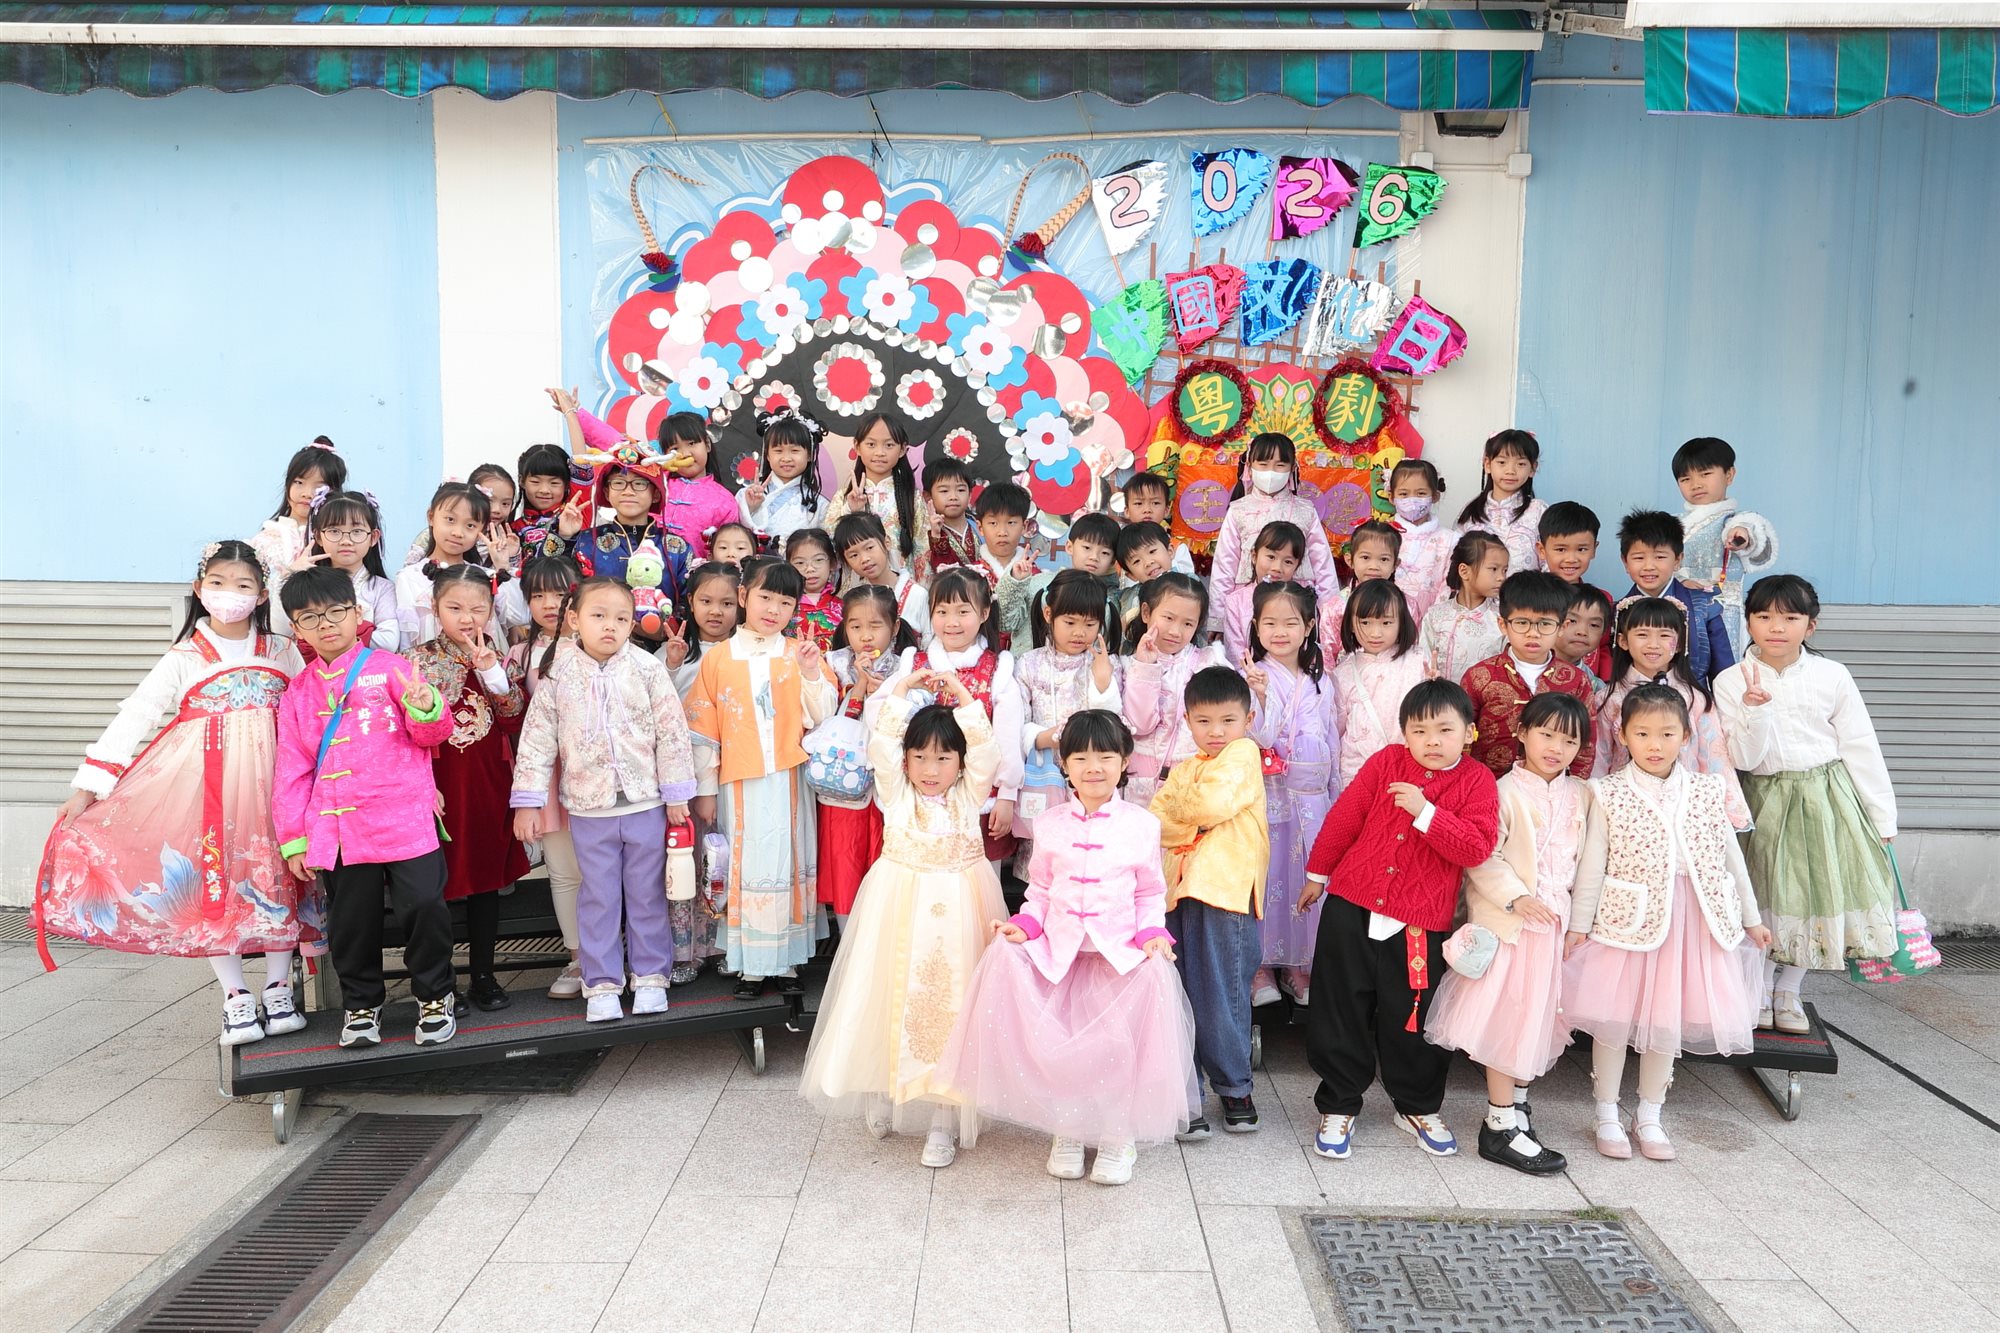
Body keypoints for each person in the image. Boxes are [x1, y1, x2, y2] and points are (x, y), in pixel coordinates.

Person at [40, 541, 314, 1045]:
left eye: (243, 585)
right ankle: (235, 996)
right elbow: (138, 713)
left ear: (261, 595)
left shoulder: (281, 649)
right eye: (218, 583)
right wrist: (89, 785)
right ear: (198, 589)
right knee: (215, 879)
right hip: (206, 788)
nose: (230, 593)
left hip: (278, 784)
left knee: (279, 875)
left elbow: (308, 709)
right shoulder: (185, 656)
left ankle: (279, 988)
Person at [935, 710, 1197, 1185]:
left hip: (1118, 957)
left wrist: (1152, 935)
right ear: (1065, 764)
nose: (1093, 767)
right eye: (1080, 758)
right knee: (1060, 1044)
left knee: (1115, 1049)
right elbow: (1039, 890)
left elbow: (1149, 893)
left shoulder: (1142, 824)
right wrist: (1025, 925)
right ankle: (1069, 1129)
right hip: (1062, 957)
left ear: (1124, 762)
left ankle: (1117, 1136)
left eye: (1105, 757)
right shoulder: (1051, 823)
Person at [799, 670, 1007, 1168]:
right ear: (906, 760)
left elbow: (987, 750)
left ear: (960, 763)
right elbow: (881, 745)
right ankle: (881, 1088)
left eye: (943, 758)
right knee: (884, 995)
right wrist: (900, 689)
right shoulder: (895, 794)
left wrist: (961, 693)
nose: (930, 769)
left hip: (959, 910)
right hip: (898, 906)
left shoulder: (968, 796)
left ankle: (943, 1118)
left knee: (952, 1004)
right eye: (919, 757)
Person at [1565, 684, 1771, 1161]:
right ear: (1623, 735)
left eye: (1666, 734)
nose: (1654, 744)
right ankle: (1606, 1112)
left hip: (1692, 923)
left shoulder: (1708, 789)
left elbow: (1730, 857)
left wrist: (1751, 916)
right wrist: (1579, 924)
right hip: (1626, 924)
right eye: (1642, 733)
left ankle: (1650, 1114)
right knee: (1614, 1022)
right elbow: (1592, 864)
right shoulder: (1607, 792)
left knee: (1666, 1022)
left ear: (1685, 737)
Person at [1301, 680, 1500, 1162]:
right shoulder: (1386, 762)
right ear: (1404, 733)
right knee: (1339, 1005)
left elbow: (1476, 847)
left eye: (1445, 730)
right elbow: (1346, 818)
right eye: (1420, 730)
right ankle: (1339, 1103)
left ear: (1468, 732)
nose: (1432, 741)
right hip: (1352, 901)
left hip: (1420, 920)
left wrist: (1426, 812)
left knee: (1412, 1015)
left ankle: (1416, 1105)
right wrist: (1317, 874)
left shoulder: (1477, 781)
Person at [272, 564, 459, 1049]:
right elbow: (291, 771)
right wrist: (294, 838)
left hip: (406, 818)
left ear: (358, 613)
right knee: (352, 923)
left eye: (336, 611)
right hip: (339, 829)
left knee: (424, 907)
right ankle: (361, 1005)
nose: (326, 624)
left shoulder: (393, 667)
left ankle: (435, 996)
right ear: (296, 628)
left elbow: (433, 736)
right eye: (310, 618)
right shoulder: (298, 693)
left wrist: (426, 705)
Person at [1714, 575, 1898, 1033]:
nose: (1776, 627)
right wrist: (1755, 709)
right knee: (1764, 895)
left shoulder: (1832, 675)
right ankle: (1757, 988)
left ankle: (1789, 991)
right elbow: (1742, 759)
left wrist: (1882, 816)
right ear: (1748, 623)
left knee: (1816, 892)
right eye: (1763, 616)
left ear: (1810, 626)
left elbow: (1860, 745)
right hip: (1764, 799)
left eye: (1790, 617)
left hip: (1827, 797)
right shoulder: (1730, 681)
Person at [1425, 693, 1599, 1175]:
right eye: (1547, 734)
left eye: (1570, 741)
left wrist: (1579, 924)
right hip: (1511, 929)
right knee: (1509, 1020)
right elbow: (1483, 855)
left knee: (1539, 1020)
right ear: (1522, 733)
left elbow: (1590, 864)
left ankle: (1517, 1109)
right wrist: (1516, 897)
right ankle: (1499, 1125)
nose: (1556, 748)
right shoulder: (1502, 790)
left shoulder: (1583, 795)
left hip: (1556, 928)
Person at [511, 577, 696, 1023]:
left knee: (648, 894)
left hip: (645, 803)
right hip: (588, 808)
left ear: (632, 624)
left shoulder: (647, 669)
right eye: (599, 616)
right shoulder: (558, 674)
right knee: (598, 897)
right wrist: (527, 802)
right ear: (575, 619)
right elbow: (536, 741)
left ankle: (650, 977)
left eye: (621, 618)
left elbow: (672, 733)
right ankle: (602, 984)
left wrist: (676, 794)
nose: (610, 626)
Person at [684, 559, 838, 997]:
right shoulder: (718, 658)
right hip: (738, 784)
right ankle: (751, 967)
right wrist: (705, 791)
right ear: (744, 595)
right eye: (765, 597)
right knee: (745, 866)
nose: (773, 609)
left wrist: (812, 672)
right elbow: (703, 732)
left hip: (790, 780)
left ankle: (787, 963)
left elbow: (824, 712)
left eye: (785, 602)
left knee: (788, 864)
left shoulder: (798, 652)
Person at [1151, 667, 1269, 1138]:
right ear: (1187, 720)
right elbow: (1156, 822)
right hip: (1177, 889)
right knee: (1178, 990)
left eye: (1227, 720)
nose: (1215, 731)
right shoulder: (1185, 768)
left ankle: (1234, 1086)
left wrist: (1189, 813)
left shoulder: (1245, 753)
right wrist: (1193, 820)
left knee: (1222, 989)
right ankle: (1187, 1094)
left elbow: (1213, 806)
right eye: (1203, 721)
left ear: (1248, 719)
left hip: (1225, 888)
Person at [407, 563, 530, 1012]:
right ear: (435, 607)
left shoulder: (497, 654)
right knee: (434, 887)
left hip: (487, 782)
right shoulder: (416, 660)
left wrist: (493, 673)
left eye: (477, 609)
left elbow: (514, 717)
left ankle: (484, 975)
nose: (467, 618)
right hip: (439, 784)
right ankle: (441, 984)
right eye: (455, 608)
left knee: (484, 882)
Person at [869, 567, 1026, 870]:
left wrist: (1007, 794)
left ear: (984, 613)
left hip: (976, 797)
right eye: (942, 611)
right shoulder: (914, 665)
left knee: (976, 875)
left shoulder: (998, 670)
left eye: (962, 611)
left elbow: (1008, 738)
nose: (951, 622)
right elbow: (878, 714)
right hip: (919, 796)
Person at [1244, 582, 1340, 1009]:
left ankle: (1300, 964)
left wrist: (1336, 795)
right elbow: (1260, 738)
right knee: (1270, 877)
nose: (1279, 632)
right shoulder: (1252, 676)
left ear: (1309, 626)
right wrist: (1261, 695)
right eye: (1269, 623)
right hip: (1271, 796)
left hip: (1313, 798)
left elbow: (1333, 739)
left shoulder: (1322, 682)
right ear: (1255, 626)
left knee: (1307, 877)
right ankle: (1261, 966)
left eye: (1290, 622)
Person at [1595, 596, 1751, 830]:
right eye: (1642, 634)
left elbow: (1713, 757)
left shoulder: (1695, 699)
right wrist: (1596, 807)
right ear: (1623, 641)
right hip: (1626, 807)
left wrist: (1726, 812)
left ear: (1679, 644)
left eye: (1664, 635)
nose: (1653, 644)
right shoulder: (1608, 699)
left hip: (1686, 807)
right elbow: (1600, 758)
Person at [816, 584, 916, 928]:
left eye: (875, 626)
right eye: (856, 626)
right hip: (842, 781)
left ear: (895, 626)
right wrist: (859, 686)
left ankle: (882, 939)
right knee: (845, 863)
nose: (866, 636)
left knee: (886, 864)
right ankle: (848, 939)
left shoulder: (906, 667)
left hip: (888, 781)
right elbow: (825, 719)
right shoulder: (833, 663)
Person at [508, 554, 585, 997]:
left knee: (608, 869)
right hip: (547, 773)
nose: (550, 604)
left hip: (596, 771)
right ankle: (578, 959)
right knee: (564, 872)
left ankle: (619, 952)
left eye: (559, 593)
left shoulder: (600, 642)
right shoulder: (520, 654)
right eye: (538, 595)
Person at [662, 560, 740, 981]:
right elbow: (661, 709)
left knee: (728, 861)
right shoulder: (674, 653)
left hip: (735, 774)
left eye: (726, 603)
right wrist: (673, 666)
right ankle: (686, 951)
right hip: (689, 779)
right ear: (690, 602)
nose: (716, 611)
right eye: (707, 601)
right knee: (688, 863)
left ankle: (726, 945)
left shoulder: (743, 652)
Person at [1013, 571, 1121, 843]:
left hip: (1091, 780)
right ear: (1049, 614)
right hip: (1044, 777)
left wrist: (1103, 682)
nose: (1079, 633)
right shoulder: (1028, 664)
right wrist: (1046, 737)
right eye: (1070, 622)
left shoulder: (1108, 664)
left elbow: (1115, 726)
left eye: (1090, 624)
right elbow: (1016, 727)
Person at [1461, 572, 1597, 779]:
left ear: (1562, 627)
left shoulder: (1576, 681)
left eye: (1545, 623)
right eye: (1522, 622)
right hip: (1488, 785)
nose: (1533, 633)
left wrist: (1578, 785)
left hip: (1553, 787)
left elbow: (1586, 743)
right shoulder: (1479, 677)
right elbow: (1461, 737)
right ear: (1503, 625)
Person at [1209, 433, 1342, 639]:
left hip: (1297, 602)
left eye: (1280, 465)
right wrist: (1218, 619)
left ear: (1292, 468)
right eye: (1263, 464)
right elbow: (1224, 566)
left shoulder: (1306, 511)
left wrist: (1330, 618)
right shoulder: (1238, 510)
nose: (1271, 472)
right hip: (1248, 604)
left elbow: (1323, 566)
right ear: (1249, 466)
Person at [1120, 573, 1225, 807]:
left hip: (1192, 780)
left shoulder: (1210, 662)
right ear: (1146, 613)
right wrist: (1145, 667)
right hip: (1140, 782)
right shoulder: (1127, 665)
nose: (1176, 631)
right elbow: (1140, 724)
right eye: (1168, 618)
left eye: (1188, 623)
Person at [1672, 436, 1778, 657]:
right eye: (1685, 478)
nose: (1696, 484)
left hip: (1724, 612)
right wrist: (1679, 583)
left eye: (1705, 474)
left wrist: (1742, 537)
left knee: (1724, 667)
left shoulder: (1737, 521)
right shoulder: (1671, 524)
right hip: (1679, 609)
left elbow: (1756, 544)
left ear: (1729, 475)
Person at [395, 482, 524, 648]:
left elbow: (519, 616)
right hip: (427, 663)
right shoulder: (410, 577)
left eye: (470, 525)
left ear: (482, 530)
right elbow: (405, 640)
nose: (458, 532)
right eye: (450, 520)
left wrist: (503, 566)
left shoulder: (486, 577)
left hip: (484, 663)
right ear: (431, 517)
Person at [1617, 509, 1734, 691]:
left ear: (1678, 560)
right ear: (1625, 562)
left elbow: (1724, 673)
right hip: (1631, 701)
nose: (1649, 566)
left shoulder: (1704, 606)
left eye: (1660, 557)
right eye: (1639, 557)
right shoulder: (1618, 612)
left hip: (1694, 701)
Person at [1329, 579, 1428, 787]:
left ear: (1401, 623)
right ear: (1351, 624)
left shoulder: (1418, 662)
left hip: (1407, 771)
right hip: (1357, 774)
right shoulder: (1342, 674)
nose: (1375, 633)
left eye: (1386, 623)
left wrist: (1433, 685)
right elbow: (1336, 730)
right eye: (1365, 622)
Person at [823, 410, 926, 570]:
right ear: (857, 447)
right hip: (858, 581)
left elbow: (922, 548)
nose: (880, 453)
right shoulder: (844, 496)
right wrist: (849, 510)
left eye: (889, 445)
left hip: (901, 581)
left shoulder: (912, 497)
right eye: (871, 444)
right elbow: (829, 542)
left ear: (902, 450)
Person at [302, 490, 400, 652]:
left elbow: (388, 642)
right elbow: (284, 631)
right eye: (334, 531)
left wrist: (328, 636)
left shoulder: (383, 589)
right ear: (318, 536)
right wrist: (290, 576)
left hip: (367, 667)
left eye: (357, 531)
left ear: (373, 537)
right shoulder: (307, 585)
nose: (346, 540)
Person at [251, 438, 347, 599]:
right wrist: (290, 573)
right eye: (299, 482)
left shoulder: (340, 539)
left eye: (320, 486)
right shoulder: (264, 541)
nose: (307, 493)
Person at [1420, 530, 1508, 687]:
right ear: (1464, 571)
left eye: (1504, 570)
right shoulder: (1436, 616)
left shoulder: (1502, 619)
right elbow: (1423, 661)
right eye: (1494, 569)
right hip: (1441, 700)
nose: (1501, 577)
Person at [1027, 511, 1124, 652]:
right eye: (1087, 548)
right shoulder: (1040, 584)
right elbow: (1007, 622)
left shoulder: (1110, 600)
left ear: (1113, 560)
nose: (1094, 557)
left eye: (1104, 553)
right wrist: (1016, 581)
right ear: (1069, 547)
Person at [1536, 502, 1611, 681]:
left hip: (1589, 686)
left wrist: (1606, 682)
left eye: (1581, 549)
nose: (1571, 559)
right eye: (1561, 549)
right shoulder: (1531, 597)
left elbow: (1604, 646)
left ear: (1594, 549)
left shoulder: (1602, 599)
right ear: (1542, 550)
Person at [1456, 429, 1546, 574]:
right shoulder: (1471, 512)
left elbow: (1550, 561)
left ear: (1533, 468)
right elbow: (1456, 560)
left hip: (1527, 589)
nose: (1510, 471)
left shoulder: (1539, 511)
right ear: (1487, 464)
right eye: (1502, 462)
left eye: (1521, 464)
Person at [1220, 519, 1304, 665]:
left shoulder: (1302, 601)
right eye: (1271, 557)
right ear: (1254, 556)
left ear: (1297, 566)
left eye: (1288, 562)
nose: (1277, 567)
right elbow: (1236, 657)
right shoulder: (1236, 602)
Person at [739, 410, 828, 548]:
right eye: (778, 451)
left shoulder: (819, 505)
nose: (786, 458)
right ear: (767, 455)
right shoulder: (746, 495)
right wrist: (750, 508)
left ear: (809, 455)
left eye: (795, 451)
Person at [833, 512, 928, 636]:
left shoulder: (917, 594)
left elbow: (929, 637)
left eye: (869, 548)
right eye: (854, 555)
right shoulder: (853, 601)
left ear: (886, 542)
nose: (864, 559)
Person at [971, 481, 1040, 648]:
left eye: (1011, 523)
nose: (1002, 532)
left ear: (1024, 526)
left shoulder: (1036, 575)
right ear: (980, 527)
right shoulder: (971, 575)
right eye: (993, 523)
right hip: (981, 651)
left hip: (1025, 653)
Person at [1386, 458, 1456, 621]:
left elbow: (1449, 587)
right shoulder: (1381, 536)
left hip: (1432, 623)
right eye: (1404, 494)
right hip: (1385, 621)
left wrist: (1432, 624)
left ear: (1435, 496)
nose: (1412, 500)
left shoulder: (1450, 541)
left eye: (1421, 493)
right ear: (1391, 497)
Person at [514, 439, 587, 565]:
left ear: (567, 484)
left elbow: (583, 463)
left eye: (554, 483)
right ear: (522, 481)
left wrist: (571, 420)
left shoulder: (574, 513)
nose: (544, 490)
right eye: (535, 482)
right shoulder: (514, 528)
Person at [912, 455, 979, 582]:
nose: (953, 497)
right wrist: (936, 537)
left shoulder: (981, 527)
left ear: (970, 494)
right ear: (927, 496)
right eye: (944, 491)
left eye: (960, 490)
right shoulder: (925, 534)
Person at [1111, 521, 1176, 648]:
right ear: (1131, 574)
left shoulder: (1189, 586)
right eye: (1136, 561)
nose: (1148, 562)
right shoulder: (1129, 598)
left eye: (1152, 551)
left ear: (1170, 551)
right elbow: (1123, 641)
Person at [1119, 472, 1197, 576]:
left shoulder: (1177, 547)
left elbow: (1188, 580)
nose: (1147, 510)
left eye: (1155, 503)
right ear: (1127, 511)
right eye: (1138, 503)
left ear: (1167, 510)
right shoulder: (1122, 548)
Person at [1332, 520, 1401, 629]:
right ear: (1350, 560)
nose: (1374, 566)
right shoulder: (1335, 607)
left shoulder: (1406, 606)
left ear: (1395, 564)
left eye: (1384, 559)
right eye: (1365, 557)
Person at [1556, 583, 1613, 708]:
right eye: (1572, 621)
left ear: (1603, 632)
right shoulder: (1528, 671)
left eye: (1594, 625)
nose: (1582, 631)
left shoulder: (1597, 689)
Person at [786, 528, 843, 653]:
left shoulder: (845, 606)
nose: (810, 569)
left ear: (832, 563)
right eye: (800, 563)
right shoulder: (785, 606)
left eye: (818, 560)